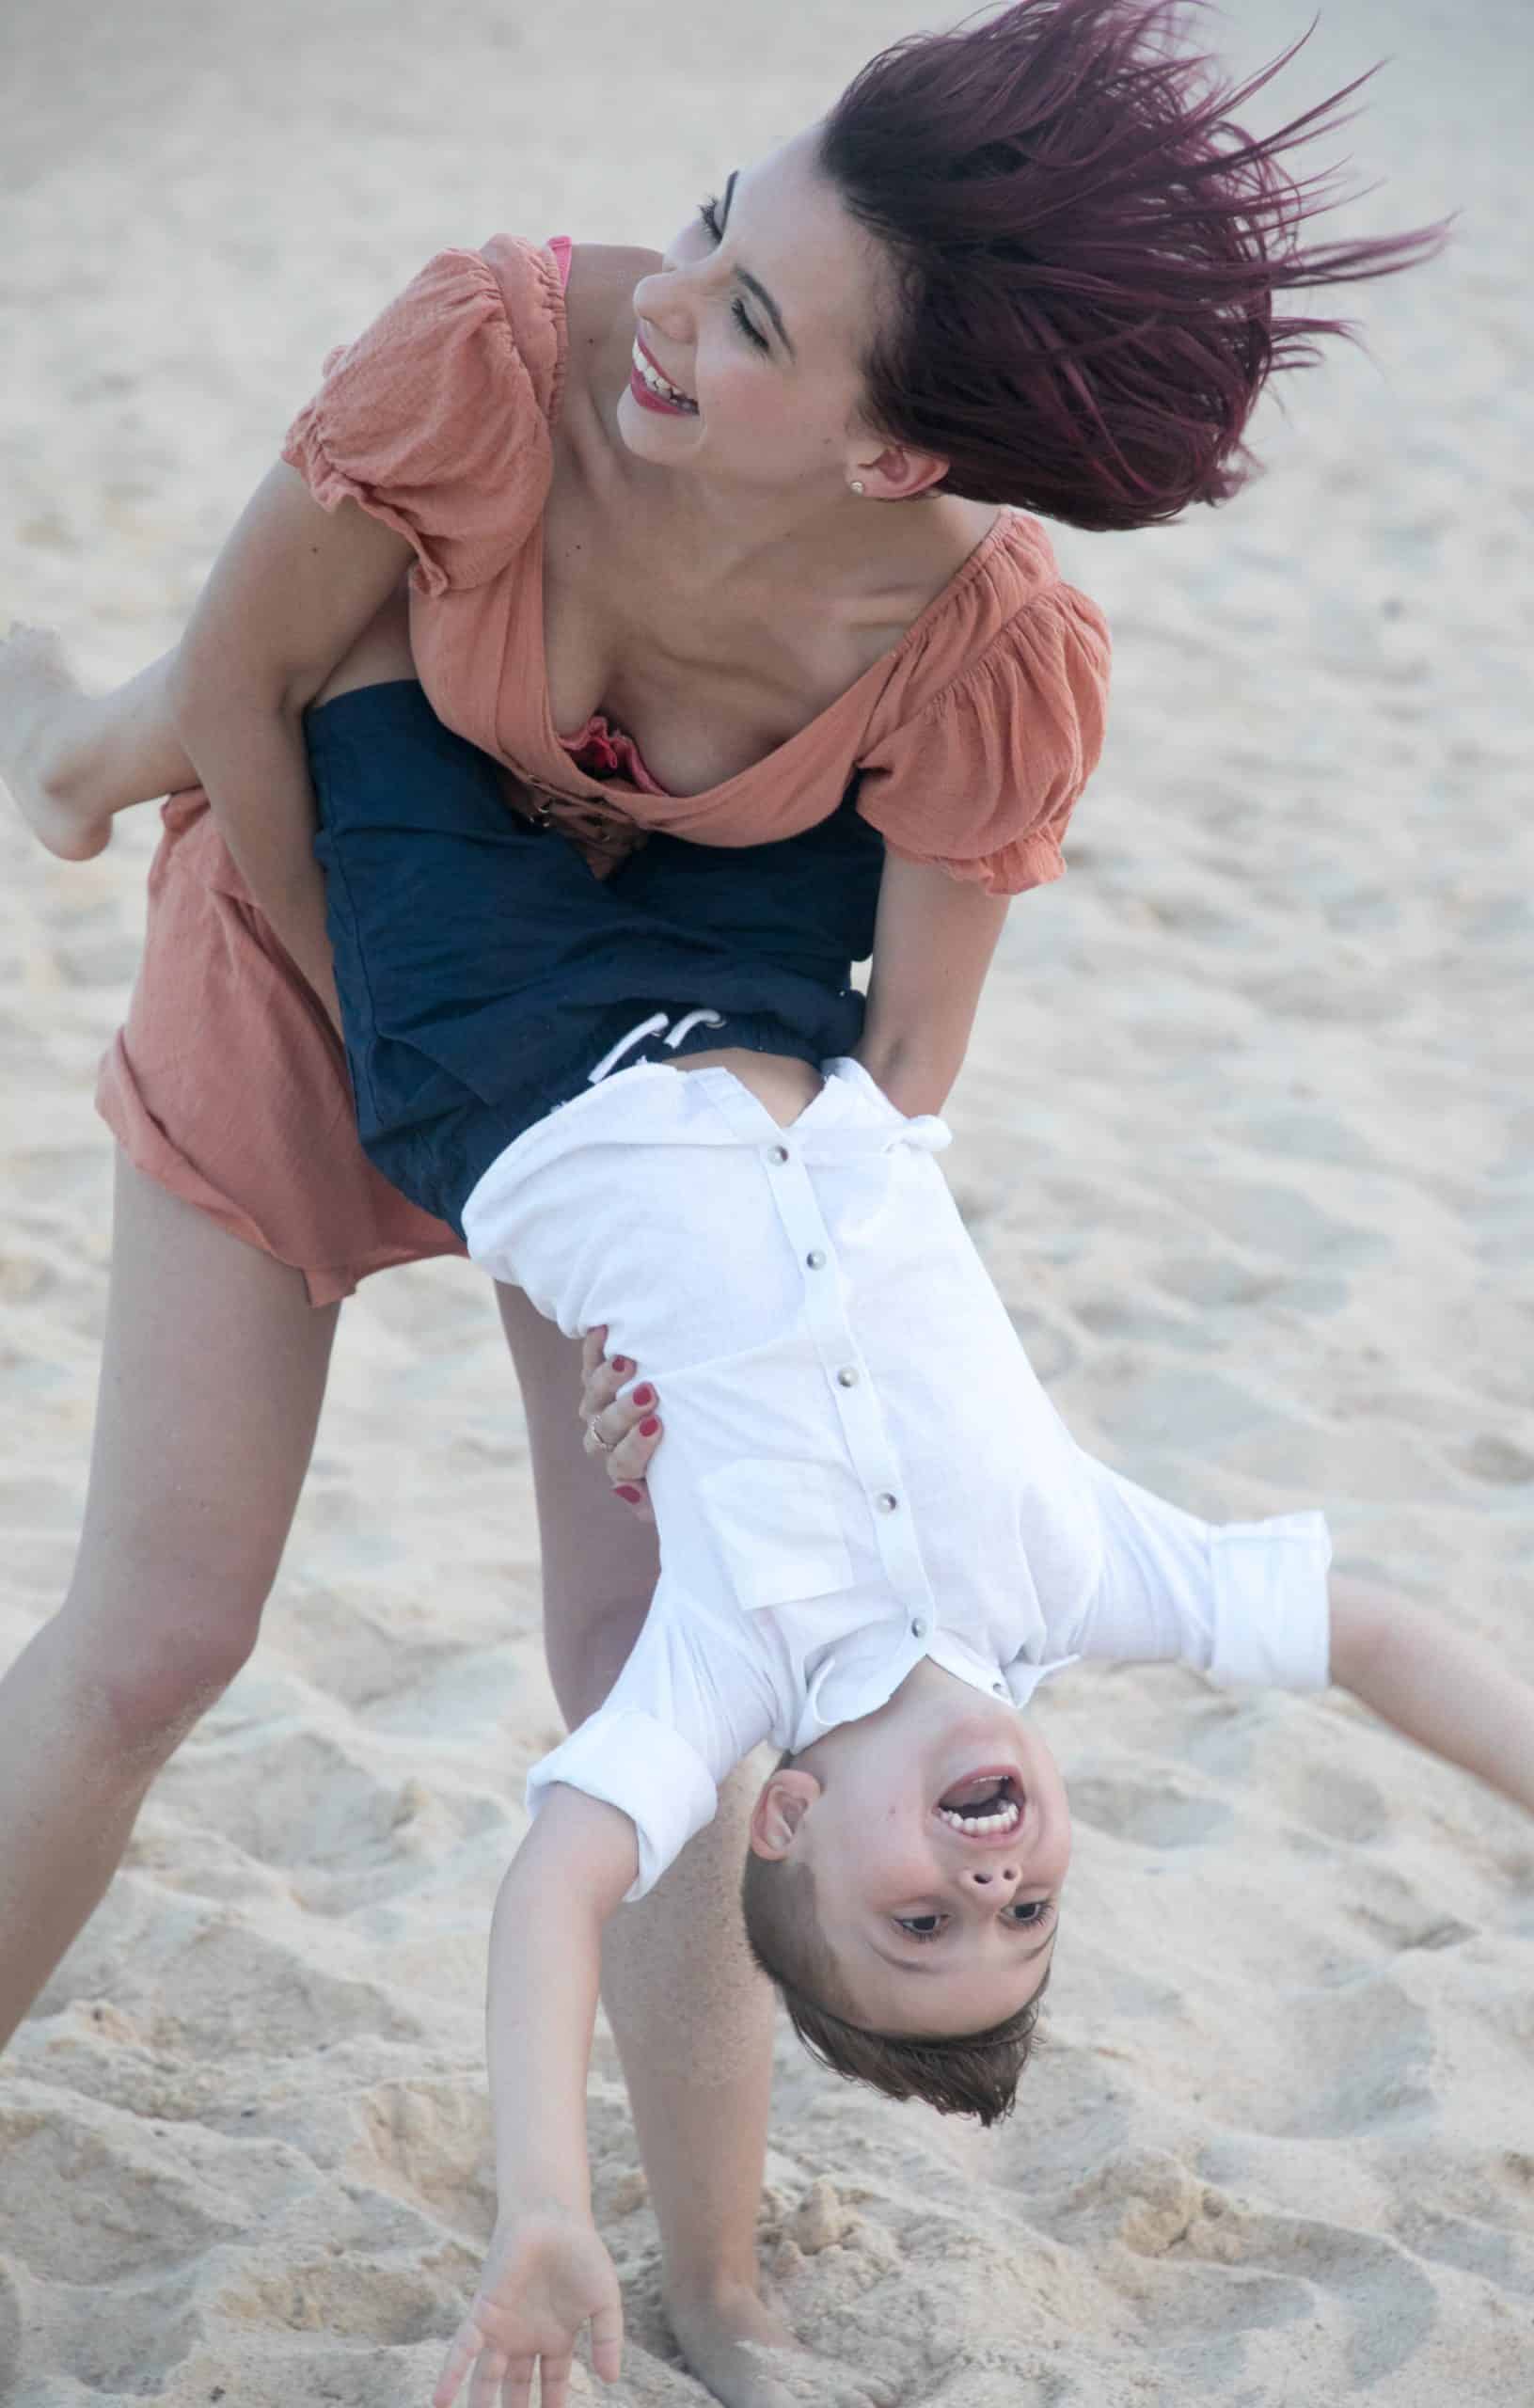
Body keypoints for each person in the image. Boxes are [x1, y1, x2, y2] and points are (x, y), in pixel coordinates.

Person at [0, 7, 1441, 2404]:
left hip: (670, 1072)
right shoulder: (493, 350)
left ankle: (716, 2292)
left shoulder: (991, 648)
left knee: (680, 1674)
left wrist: (737, 1363)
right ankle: (60, 738)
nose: (663, 303)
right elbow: (265, 709)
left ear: (894, 445)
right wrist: (421, 1087)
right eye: (708, 222)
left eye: (750, 315)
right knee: (156, 1637)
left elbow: (894, 1084)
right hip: (331, 914)